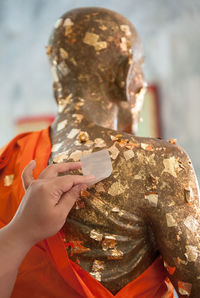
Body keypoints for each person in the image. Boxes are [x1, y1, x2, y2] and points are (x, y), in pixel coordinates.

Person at [0, 6, 199, 298]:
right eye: (140, 67)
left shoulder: (13, 159)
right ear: (125, 75)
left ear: (59, 85)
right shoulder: (160, 162)